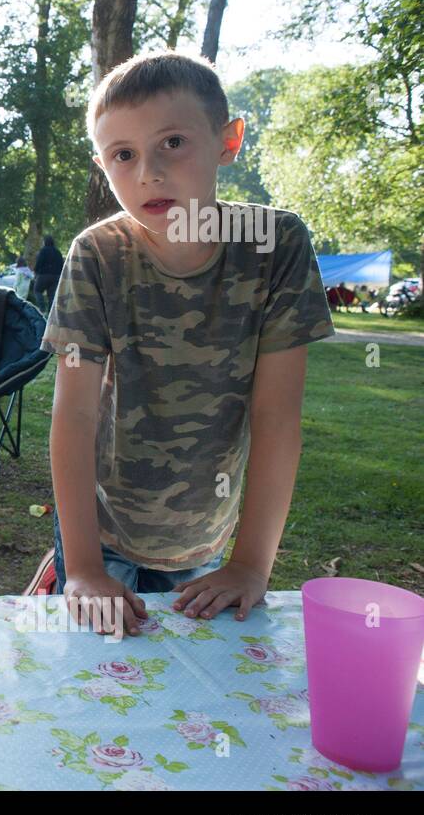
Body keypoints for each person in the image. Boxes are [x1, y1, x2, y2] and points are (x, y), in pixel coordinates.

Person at [43, 50, 333, 637]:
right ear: (102, 164)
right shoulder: (96, 255)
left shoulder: (277, 246)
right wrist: (83, 569)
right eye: (122, 155)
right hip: (99, 536)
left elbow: (277, 417)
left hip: (207, 543)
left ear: (229, 139)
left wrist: (251, 565)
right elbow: (73, 415)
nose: (148, 171)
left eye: (172, 142)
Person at [33, 234, 63, 309]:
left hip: (44, 275)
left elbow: (39, 262)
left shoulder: (43, 251)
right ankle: (50, 312)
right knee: (51, 295)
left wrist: (35, 271)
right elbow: (62, 264)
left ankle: (42, 309)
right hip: (56, 276)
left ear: (45, 242)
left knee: (37, 290)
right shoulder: (57, 252)